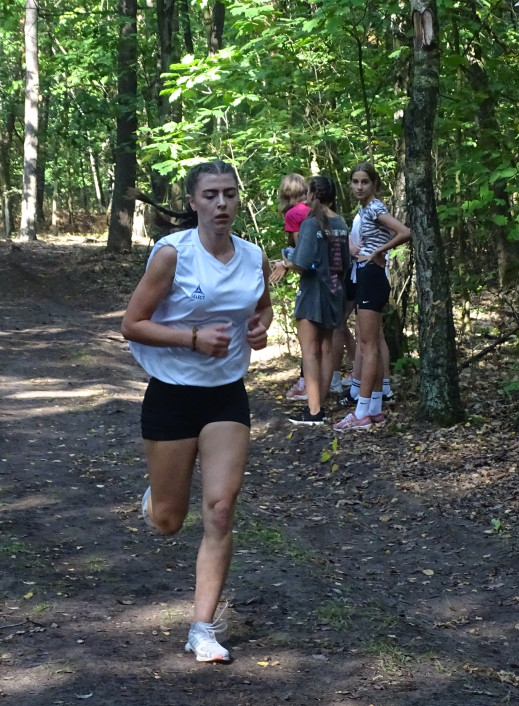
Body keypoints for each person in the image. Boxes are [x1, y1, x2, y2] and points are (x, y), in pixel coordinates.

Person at [121, 160, 273, 663]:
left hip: (226, 393)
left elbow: (262, 305)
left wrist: (259, 329)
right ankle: (156, 498)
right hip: (172, 391)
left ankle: (202, 629)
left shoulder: (253, 256)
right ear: (193, 202)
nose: (222, 204)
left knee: (222, 508)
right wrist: (191, 337)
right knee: (169, 520)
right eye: (211, 195)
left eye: (229, 194)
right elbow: (133, 324)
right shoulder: (172, 256)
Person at [333, 162, 411, 431]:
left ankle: (361, 411)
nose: (358, 187)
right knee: (372, 344)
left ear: (374, 184)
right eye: (355, 182)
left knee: (367, 346)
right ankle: (374, 407)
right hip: (369, 276)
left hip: (371, 275)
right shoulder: (365, 209)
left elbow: (404, 231)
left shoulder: (376, 207)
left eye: (364, 182)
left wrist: (378, 252)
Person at [279, 176, 350, 425]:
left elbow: (301, 262)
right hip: (335, 290)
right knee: (326, 349)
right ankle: (319, 405)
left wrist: (286, 262)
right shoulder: (340, 222)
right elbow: (346, 262)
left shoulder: (311, 224)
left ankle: (314, 411)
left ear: (311, 195)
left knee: (309, 351)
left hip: (313, 292)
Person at [269, 173, 311, 401]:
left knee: (307, 334)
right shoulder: (315, 210)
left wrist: (285, 263)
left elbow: (301, 254)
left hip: (312, 279)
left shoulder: (294, 214)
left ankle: (307, 384)